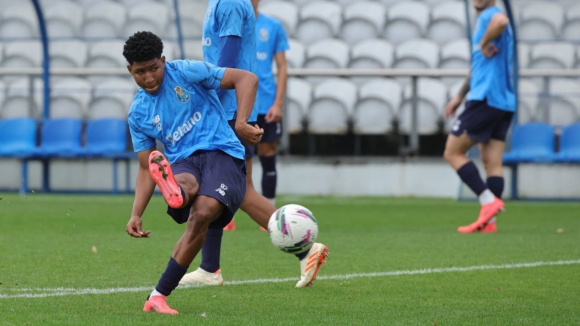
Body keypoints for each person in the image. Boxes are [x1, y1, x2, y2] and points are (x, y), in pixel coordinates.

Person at [179, 0, 329, 288]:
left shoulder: (231, 3)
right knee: (241, 191)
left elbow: (227, 60)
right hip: (229, 107)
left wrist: (204, 93)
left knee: (220, 187)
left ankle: (213, 268)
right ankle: (211, 268)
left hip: (229, 109)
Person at [123, 31, 263, 314]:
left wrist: (241, 122)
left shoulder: (187, 72)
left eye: (153, 68)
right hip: (184, 161)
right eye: (140, 72)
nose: (149, 78)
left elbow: (246, 78)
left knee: (203, 212)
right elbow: (143, 166)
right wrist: (136, 213)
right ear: (130, 71)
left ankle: (158, 294)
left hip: (221, 151)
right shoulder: (138, 113)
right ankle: (177, 193)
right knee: (185, 183)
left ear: (163, 61)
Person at [443, 0, 515, 233]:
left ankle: (488, 201)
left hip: (486, 97)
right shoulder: (486, 20)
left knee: (452, 152)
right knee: (491, 162)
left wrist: (484, 41)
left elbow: (502, 20)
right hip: (504, 101)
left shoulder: (490, 16)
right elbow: (478, 66)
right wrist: (459, 96)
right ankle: (489, 223)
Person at [252, 0, 289, 208]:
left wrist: (278, 103)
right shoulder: (229, 26)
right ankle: (225, 215)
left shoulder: (273, 26)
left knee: (267, 153)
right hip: (238, 103)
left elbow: (282, 66)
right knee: (234, 156)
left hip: (266, 102)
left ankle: (269, 210)